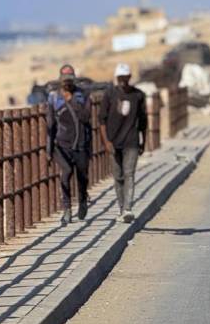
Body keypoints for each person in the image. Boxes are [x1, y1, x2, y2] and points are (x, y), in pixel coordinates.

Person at [102, 63, 147, 223]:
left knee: (129, 174)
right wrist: (106, 141)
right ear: (117, 78)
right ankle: (122, 208)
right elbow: (102, 120)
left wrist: (144, 141)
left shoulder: (138, 95)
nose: (123, 81)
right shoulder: (109, 94)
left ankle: (128, 208)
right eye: (120, 78)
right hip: (114, 142)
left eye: (125, 77)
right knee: (118, 177)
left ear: (129, 77)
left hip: (132, 141)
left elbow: (143, 120)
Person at [46, 67, 92, 223]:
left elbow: (86, 117)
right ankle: (66, 208)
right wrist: (49, 149)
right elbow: (50, 125)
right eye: (65, 80)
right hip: (62, 144)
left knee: (82, 176)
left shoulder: (83, 95)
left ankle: (83, 200)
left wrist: (72, 101)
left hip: (81, 143)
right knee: (65, 173)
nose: (67, 83)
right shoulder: (53, 97)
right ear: (60, 80)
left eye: (70, 80)